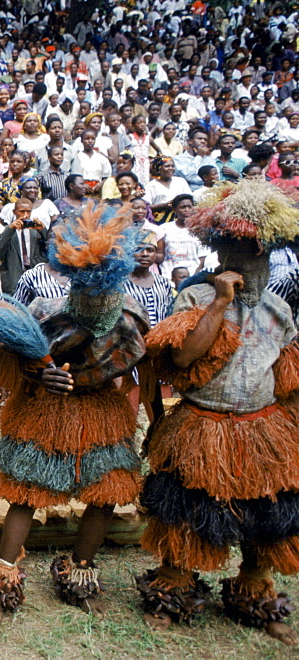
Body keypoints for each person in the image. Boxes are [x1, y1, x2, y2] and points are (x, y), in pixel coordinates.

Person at [0, 202, 147, 632]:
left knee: (105, 494)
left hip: (102, 414)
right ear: (72, 275)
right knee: (27, 494)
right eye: (85, 288)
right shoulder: (45, 313)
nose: (93, 297)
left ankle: (81, 573)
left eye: (100, 288)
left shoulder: (129, 317)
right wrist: (40, 373)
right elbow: (7, 364)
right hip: (46, 415)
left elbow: (138, 361)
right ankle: (1, 581)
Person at [137, 180, 299, 646]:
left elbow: (287, 377)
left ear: (267, 259)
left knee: (270, 518)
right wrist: (222, 302)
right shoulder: (194, 299)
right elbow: (184, 359)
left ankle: (255, 593)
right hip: (202, 425)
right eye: (231, 253)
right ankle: (173, 590)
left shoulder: (278, 309)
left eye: (251, 255)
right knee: (187, 514)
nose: (239, 264)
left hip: (262, 429)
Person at [0, 199, 48, 295]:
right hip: (13, 277)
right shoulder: (6, 230)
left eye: (28, 211)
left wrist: (43, 231)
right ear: (14, 212)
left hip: (35, 278)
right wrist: (10, 230)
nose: (25, 215)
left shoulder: (36, 230)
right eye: (22, 211)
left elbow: (49, 250)